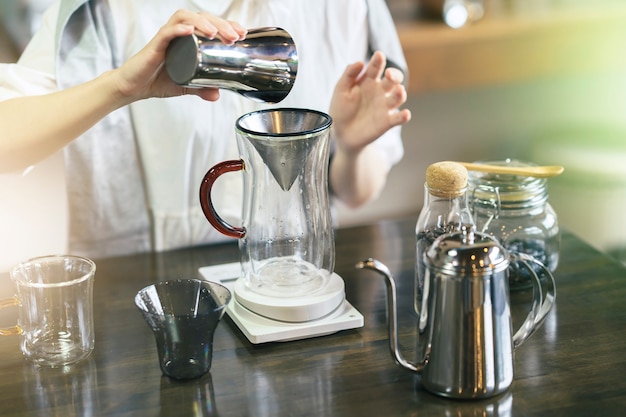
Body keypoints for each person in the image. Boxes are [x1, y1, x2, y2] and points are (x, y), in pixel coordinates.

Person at [0, 0, 411, 258]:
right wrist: (120, 86)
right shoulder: (98, 10)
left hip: (292, 284)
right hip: (146, 298)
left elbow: (356, 193)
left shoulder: (343, 8)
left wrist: (352, 147)